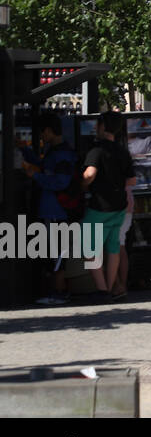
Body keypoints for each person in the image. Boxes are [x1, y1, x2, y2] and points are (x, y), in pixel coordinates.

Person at [79, 111, 136, 302]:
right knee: (113, 247)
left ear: (102, 126)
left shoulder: (96, 150)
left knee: (89, 248)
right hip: (119, 206)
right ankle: (111, 287)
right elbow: (132, 180)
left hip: (99, 206)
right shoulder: (122, 151)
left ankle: (102, 289)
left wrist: (81, 185)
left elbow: (89, 174)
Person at [26, 112, 79, 306]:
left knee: (57, 253)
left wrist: (35, 176)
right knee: (55, 252)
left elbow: (60, 181)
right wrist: (25, 152)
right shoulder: (57, 151)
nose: (40, 136)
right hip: (54, 210)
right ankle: (58, 291)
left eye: (42, 132)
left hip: (56, 211)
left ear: (48, 130)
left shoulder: (61, 154)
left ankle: (58, 292)